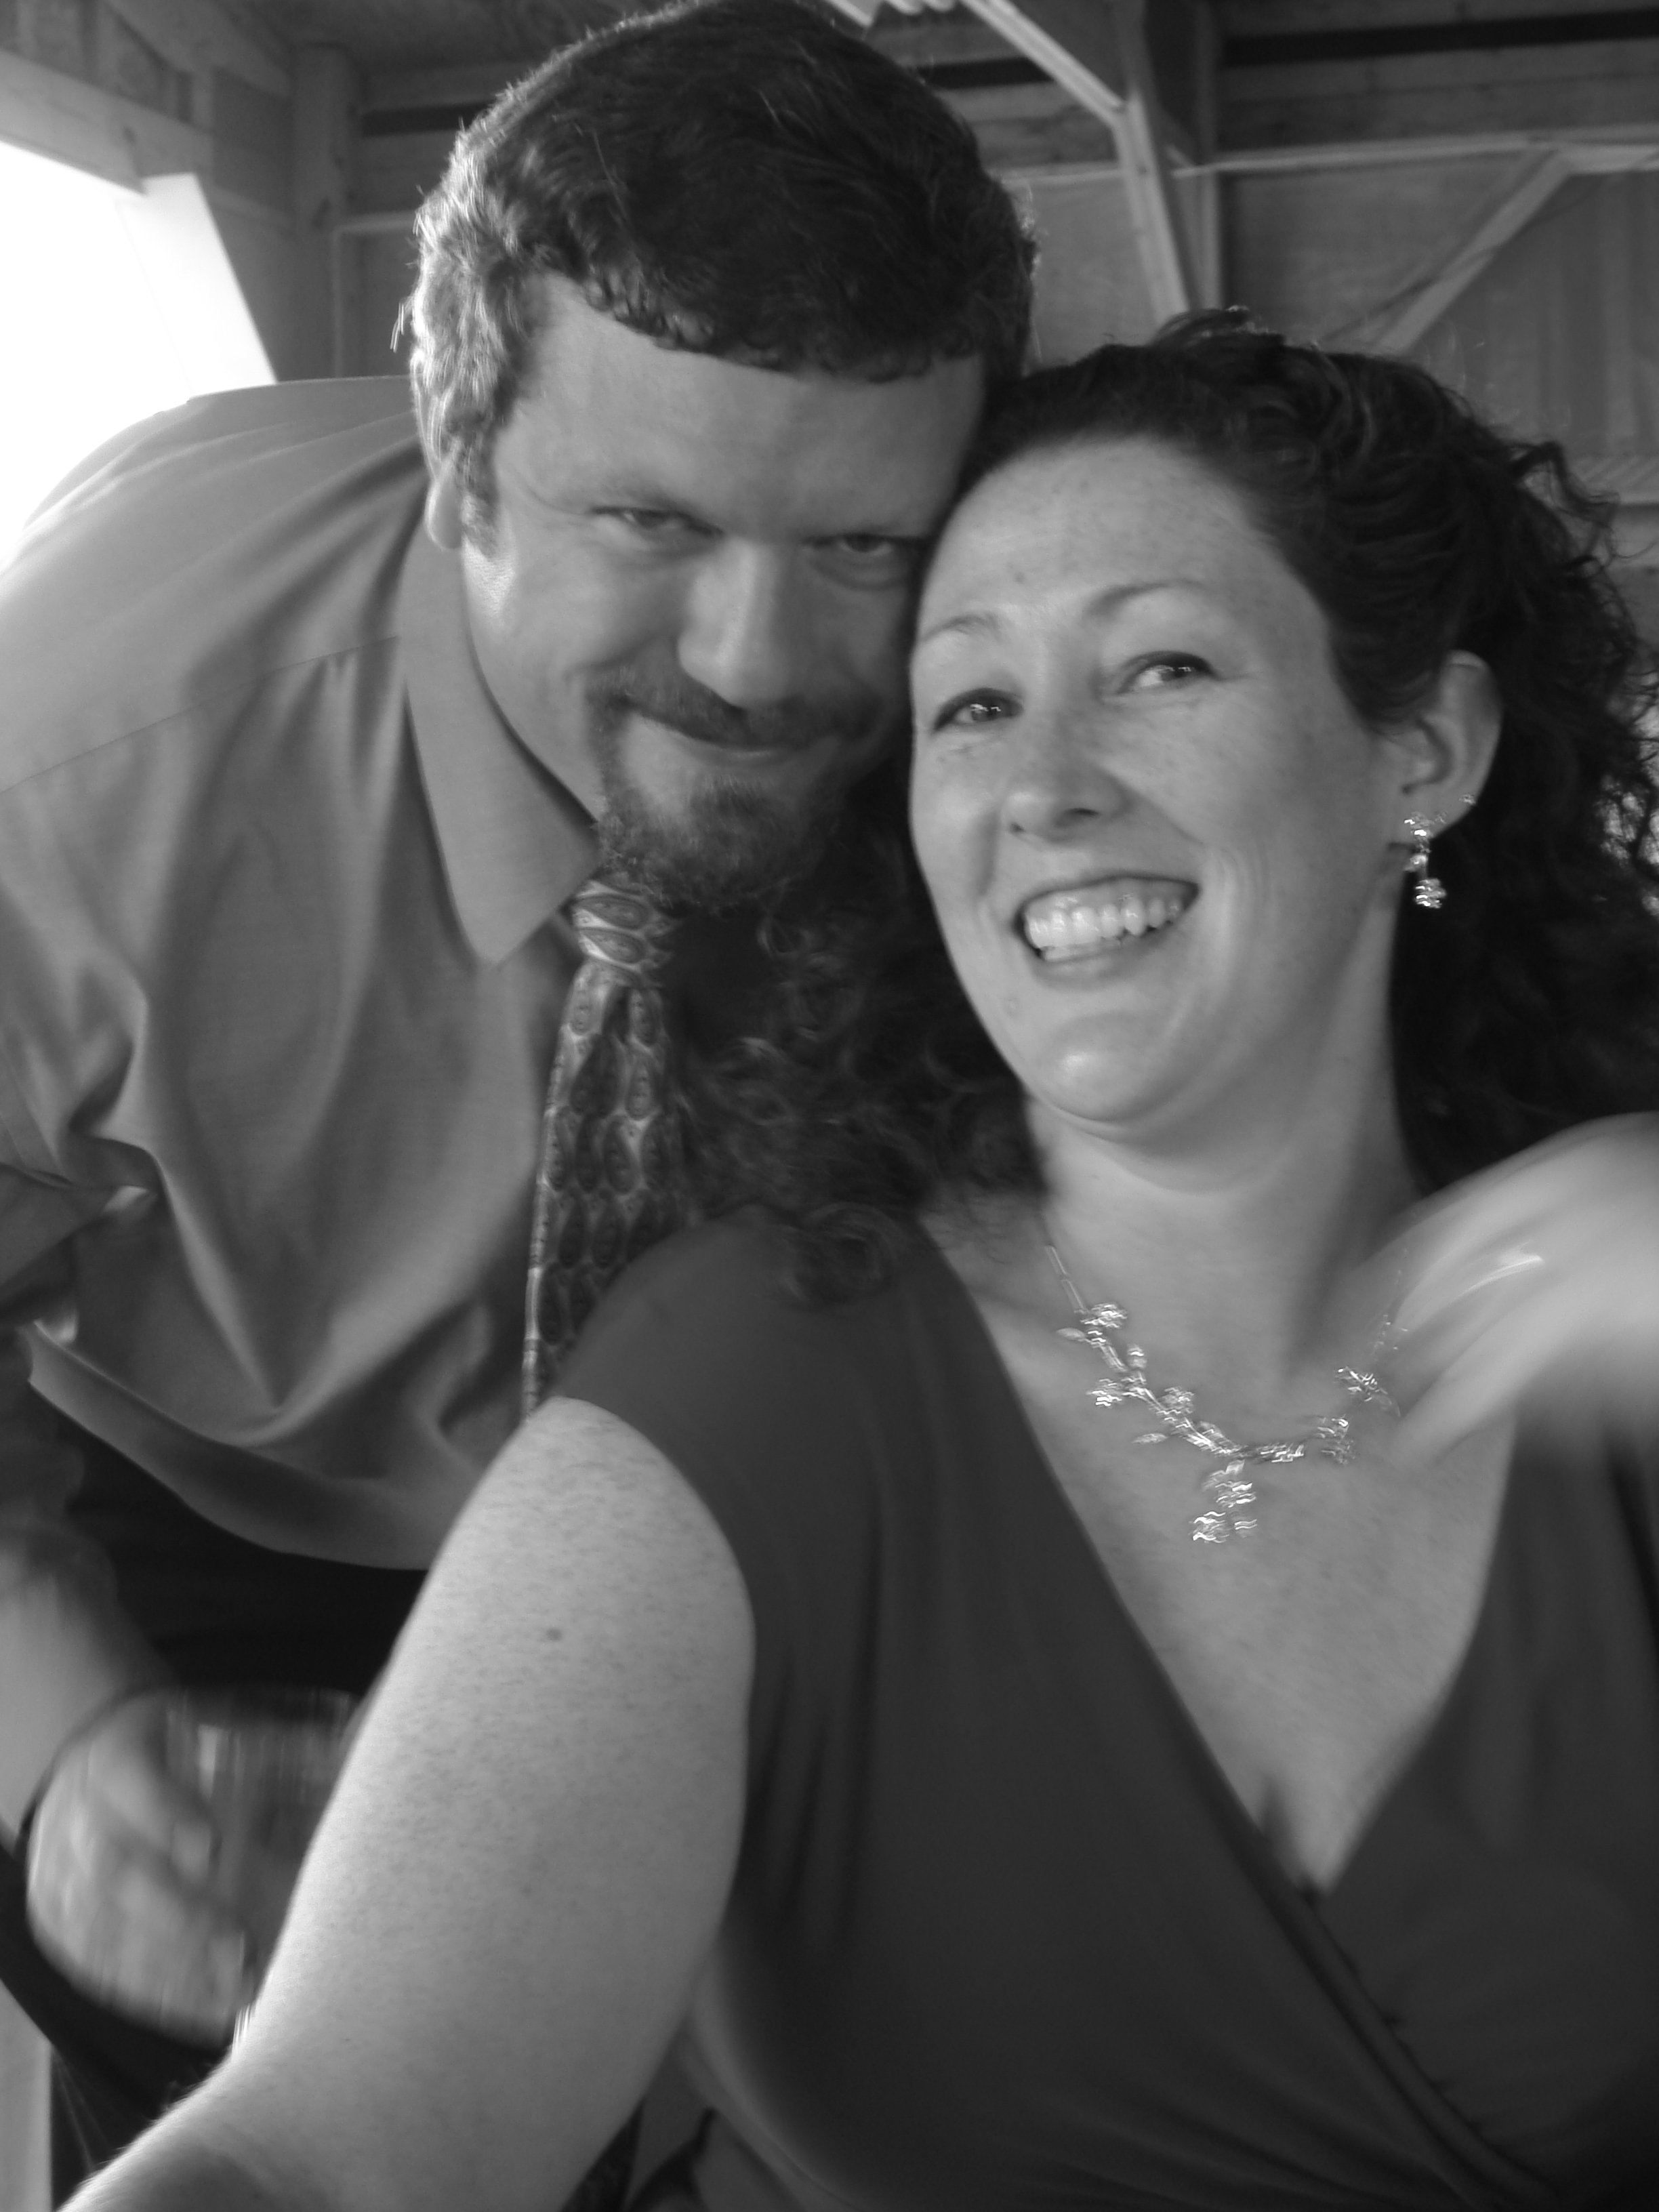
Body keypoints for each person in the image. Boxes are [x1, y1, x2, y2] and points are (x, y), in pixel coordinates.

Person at [64, 314, 1659, 2211]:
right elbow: (322, 2144)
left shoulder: (1621, 1320)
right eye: (971, 704)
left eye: (1160, 667)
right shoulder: (766, 1379)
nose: (1043, 786)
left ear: (1425, 748)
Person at [0, 0, 1030, 2195]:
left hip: (795, 1507)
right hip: (231, 1528)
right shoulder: (61, 772)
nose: (759, 664)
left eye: (864, 547)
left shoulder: (1024, 661)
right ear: (460, 466)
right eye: (649, 518)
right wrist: (64, 1734)